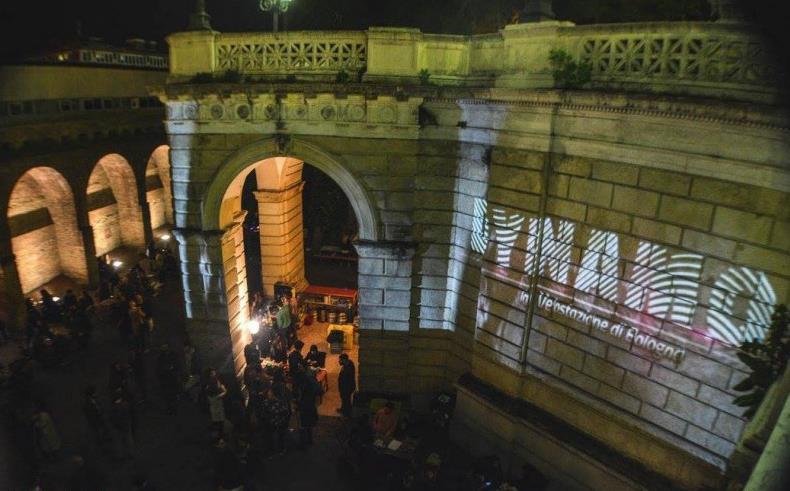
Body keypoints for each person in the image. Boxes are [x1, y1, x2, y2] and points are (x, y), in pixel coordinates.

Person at [296, 372, 321, 447]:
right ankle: (310, 440)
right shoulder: (311, 383)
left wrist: (298, 402)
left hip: (305, 406)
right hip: (311, 405)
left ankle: (303, 443)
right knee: (309, 424)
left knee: (303, 425)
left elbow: (300, 396)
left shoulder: (303, 385)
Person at [110, 389, 134, 459]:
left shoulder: (113, 408)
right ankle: (130, 453)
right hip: (126, 424)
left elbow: (111, 418)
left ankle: (120, 455)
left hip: (118, 426)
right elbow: (131, 413)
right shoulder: (126, 404)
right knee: (129, 439)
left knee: (119, 441)